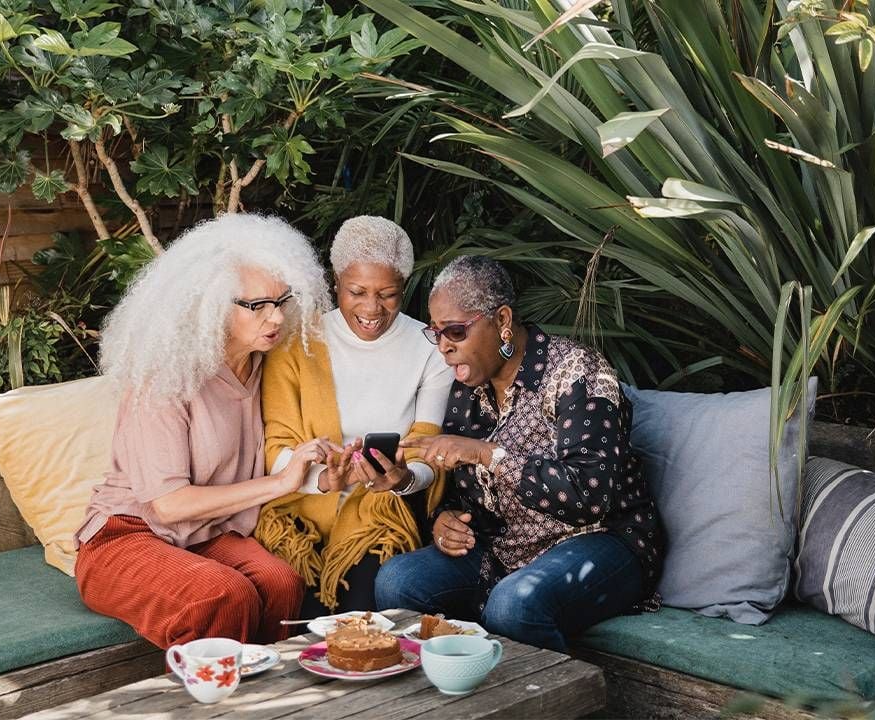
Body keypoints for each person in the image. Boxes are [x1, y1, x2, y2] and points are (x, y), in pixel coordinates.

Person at [375, 255, 664, 651]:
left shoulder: (577, 371)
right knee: (397, 581)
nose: (444, 347)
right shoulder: (467, 390)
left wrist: (487, 454)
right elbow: (466, 495)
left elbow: (590, 496)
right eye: (436, 332)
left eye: (455, 331)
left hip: (602, 540)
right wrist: (447, 520)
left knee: (513, 605)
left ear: (503, 320)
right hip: (506, 547)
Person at [74, 213, 334, 649]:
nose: (274, 318)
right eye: (255, 306)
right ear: (210, 304)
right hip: (126, 536)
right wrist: (277, 484)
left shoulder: (264, 363)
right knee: (223, 595)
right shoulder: (165, 375)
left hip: (207, 535)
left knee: (282, 583)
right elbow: (169, 504)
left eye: (282, 300)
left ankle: (267, 701)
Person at [255, 216, 452, 615]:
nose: (372, 309)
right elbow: (275, 448)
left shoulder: (430, 348)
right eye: (357, 291)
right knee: (297, 611)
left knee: (360, 609)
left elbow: (427, 448)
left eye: (389, 294)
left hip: (379, 515)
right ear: (336, 282)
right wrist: (325, 479)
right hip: (300, 513)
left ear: (405, 287)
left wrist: (404, 479)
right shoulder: (297, 342)